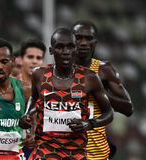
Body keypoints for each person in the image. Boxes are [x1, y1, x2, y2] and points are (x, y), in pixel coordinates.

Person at [19, 28, 113, 160]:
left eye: (70, 47)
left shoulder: (89, 77)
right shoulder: (39, 74)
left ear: (76, 49)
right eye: (60, 47)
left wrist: (89, 123)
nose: (66, 52)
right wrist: (27, 114)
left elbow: (108, 113)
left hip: (75, 152)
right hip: (45, 150)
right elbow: (35, 98)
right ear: (51, 51)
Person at [72, 20, 133, 160]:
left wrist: (99, 91)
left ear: (95, 42)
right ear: (71, 40)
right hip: (65, 150)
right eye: (78, 37)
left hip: (96, 153)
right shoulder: (58, 71)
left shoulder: (104, 70)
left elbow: (128, 108)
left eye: (89, 38)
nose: (83, 43)